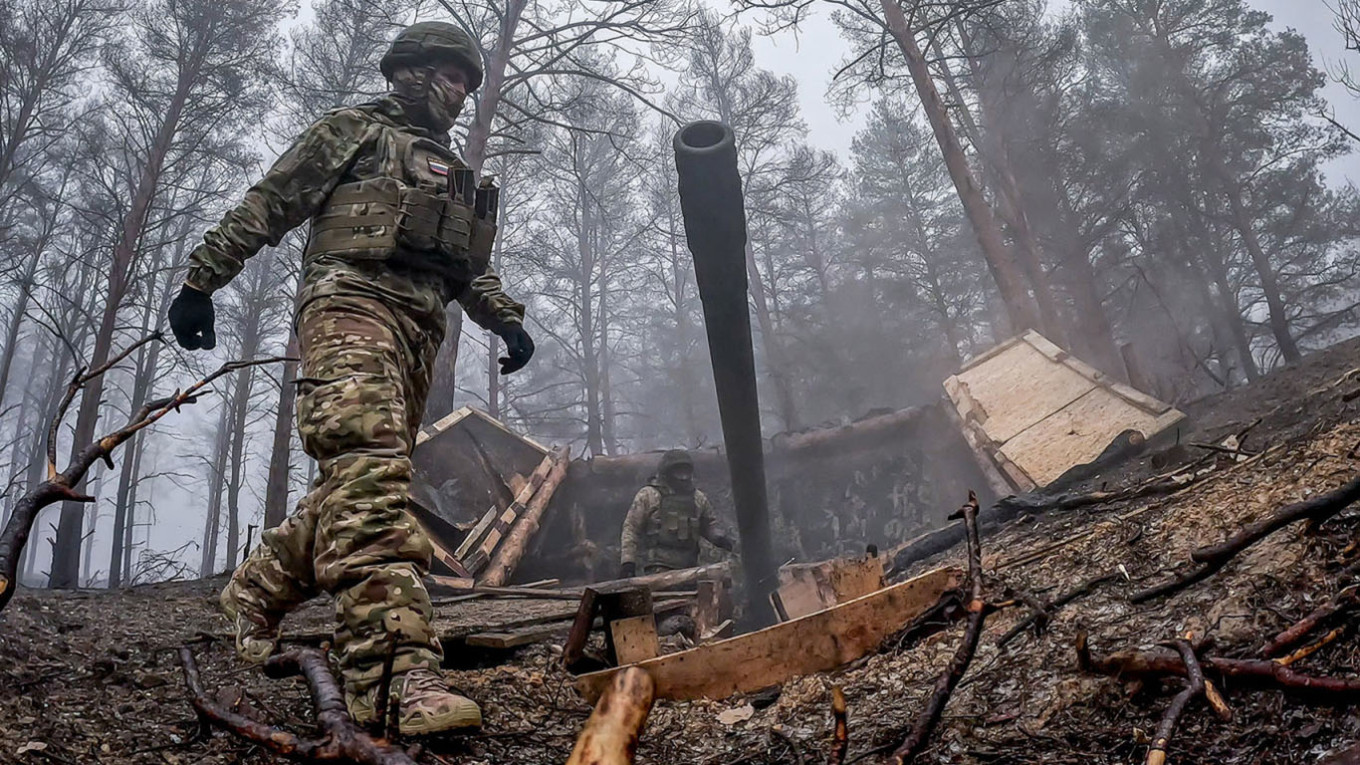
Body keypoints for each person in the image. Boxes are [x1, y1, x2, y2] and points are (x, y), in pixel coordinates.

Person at [167, 21, 533, 734]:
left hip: (418, 334)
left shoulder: (450, 169)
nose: (459, 92)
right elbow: (271, 200)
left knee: (361, 483)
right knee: (368, 476)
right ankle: (393, 674)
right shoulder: (353, 131)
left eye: (467, 80)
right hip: (348, 305)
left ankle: (256, 588)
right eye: (450, 75)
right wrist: (200, 283)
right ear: (412, 71)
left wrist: (505, 319)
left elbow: (465, 266)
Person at [618, 450, 735, 578]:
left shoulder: (698, 498)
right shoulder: (649, 495)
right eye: (678, 472)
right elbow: (631, 529)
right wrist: (628, 562)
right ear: (667, 472)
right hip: (658, 568)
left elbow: (708, 526)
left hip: (690, 568)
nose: (683, 477)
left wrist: (720, 539)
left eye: (686, 472)